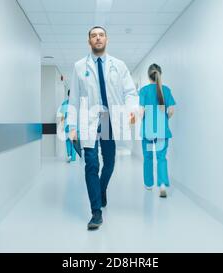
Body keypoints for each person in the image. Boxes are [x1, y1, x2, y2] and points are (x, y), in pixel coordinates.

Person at [67, 26, 138, 230]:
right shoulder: (80, 66)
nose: (97, 38)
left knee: (109, 162)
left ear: (107, 39)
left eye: (101, 35)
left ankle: (102, 188)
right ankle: (96, 212)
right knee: (91, 165)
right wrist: (72, 126)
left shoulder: (119, 65)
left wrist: (133, 109)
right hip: (88, 120)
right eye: (93, 35)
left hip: (110, 119)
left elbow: (130, 92)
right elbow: (73, 99)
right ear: (89, 41)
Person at [139, 64, 176, 198]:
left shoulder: (143, 91)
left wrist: (140, 117)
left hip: (148, 131)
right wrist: (164, 118)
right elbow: (171, 110)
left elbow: (141, 112)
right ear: (160, 74)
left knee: (148, 157)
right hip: (162, 130)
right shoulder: (166, 90)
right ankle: (162, 185)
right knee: (161, 158)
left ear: (149, 76)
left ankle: (149, 184)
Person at [59, 90, 76, 163]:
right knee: (70, 141)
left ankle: (71, 156)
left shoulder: (67, 103)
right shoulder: (67, 104)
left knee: (71, 141)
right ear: (69, 95)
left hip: (71, 125)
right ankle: (71, 156)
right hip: (69, 125)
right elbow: (62, 116)